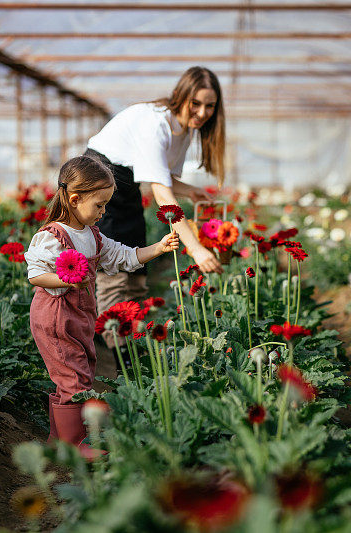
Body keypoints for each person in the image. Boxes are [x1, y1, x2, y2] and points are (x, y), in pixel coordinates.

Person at [25, 156, 179, 452]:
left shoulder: (92, 235)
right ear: (74, 199)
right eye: (99, 204)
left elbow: (124, 257)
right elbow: (36, 275)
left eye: (107, 203)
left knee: (75, 371)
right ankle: (75, 444)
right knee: (74, 375)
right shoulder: (52, 236)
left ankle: (59, 441)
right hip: (55, 316)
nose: (104, 211)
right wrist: (67, 280)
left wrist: (158, 248)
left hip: (78, 315)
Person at [84, 66, 225, 364]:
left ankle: (129, 337)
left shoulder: (184, 129)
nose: (202, 112)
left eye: (210, 106)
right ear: (181, 96)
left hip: (125, 180)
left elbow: (163, 178)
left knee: (138, 258)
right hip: (99, 177)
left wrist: (192, 192)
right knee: (114, 265)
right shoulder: (156, 123)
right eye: (196, 103)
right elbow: (162, 194)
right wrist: (196, 249)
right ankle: (122, 355)